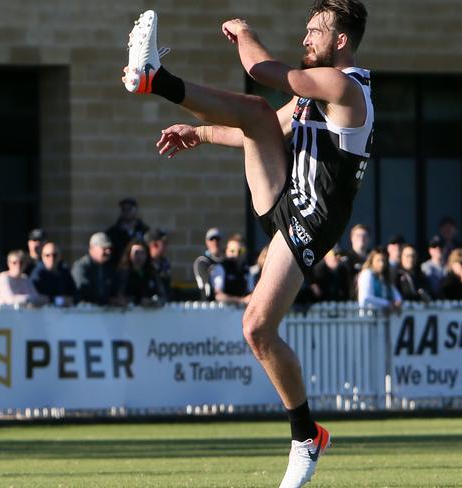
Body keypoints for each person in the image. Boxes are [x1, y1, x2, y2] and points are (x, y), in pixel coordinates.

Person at [123, 2, 371, 484]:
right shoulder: (310, 94)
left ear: (341, 41)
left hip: (312, 219)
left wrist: (245, 33)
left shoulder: (346, 87)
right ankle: (155, 79)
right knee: (257, 114)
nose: (305, 39)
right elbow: (260, 130)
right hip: (281, 194)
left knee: (256, 329)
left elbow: (262, 70)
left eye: (315, 31)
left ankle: (306, 436)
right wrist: (199, 133)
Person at [71, 232, 120, 306]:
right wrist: (107, 300)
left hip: (106, 314)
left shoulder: (109, 268)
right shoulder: (81, 267)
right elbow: (84, 292)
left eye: (109, 248)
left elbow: (114, 291)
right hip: (85, 314)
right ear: (92, 248)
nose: (108, 251)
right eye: (104, 248)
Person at [117, 238, 165, 307]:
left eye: (142, 253)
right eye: (136, 253)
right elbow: (119, 295)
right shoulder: (123, 273)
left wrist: (154, 302)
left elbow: (162, 295)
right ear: (129, 254)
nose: (139, 257)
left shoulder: (151, 273)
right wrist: (137, 301)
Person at [30, 241, 77, 306]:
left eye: (54, 255)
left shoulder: (64, 271)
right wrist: (58, 300)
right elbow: (37, 299)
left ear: (60, 256)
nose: (51, 258)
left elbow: (75, 296)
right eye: (47, 255)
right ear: (42, 256)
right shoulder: (37, 274)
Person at [105, 197, 150, 264]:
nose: (126, 212)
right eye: (124, 209)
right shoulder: (113, 232)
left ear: (136, 210)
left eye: (129, 209)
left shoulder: (143, 230)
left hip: (139, 268)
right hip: (120, 268)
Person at [211, 234, 252, 305]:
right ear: (226, 251)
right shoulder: (220, 268)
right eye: (232, 251)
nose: (236, 254)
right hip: (222, 311)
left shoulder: (247, 270)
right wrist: (241, 300)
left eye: (240, 251)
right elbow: (218, 296)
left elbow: (251, 293)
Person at [193, 227, 225, 300]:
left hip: (227, 305)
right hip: (208, 306)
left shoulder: (225, 262)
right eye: (211, 239)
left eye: (217, 239)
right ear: (207, 242)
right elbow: (207, 288)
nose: (215, 242)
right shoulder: (202, 261)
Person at [342, 224, 371, 293]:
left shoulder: (373, 258)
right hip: (351, 300)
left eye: (364, 236)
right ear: (351, 238)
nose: (361, 238)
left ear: (369, 239)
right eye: (358, 236)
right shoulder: (346, 259)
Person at [145, 228, 173, 300]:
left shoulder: (164, 263)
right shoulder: (144, 263)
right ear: (154, 244)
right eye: (164, 243)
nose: (166, 246)